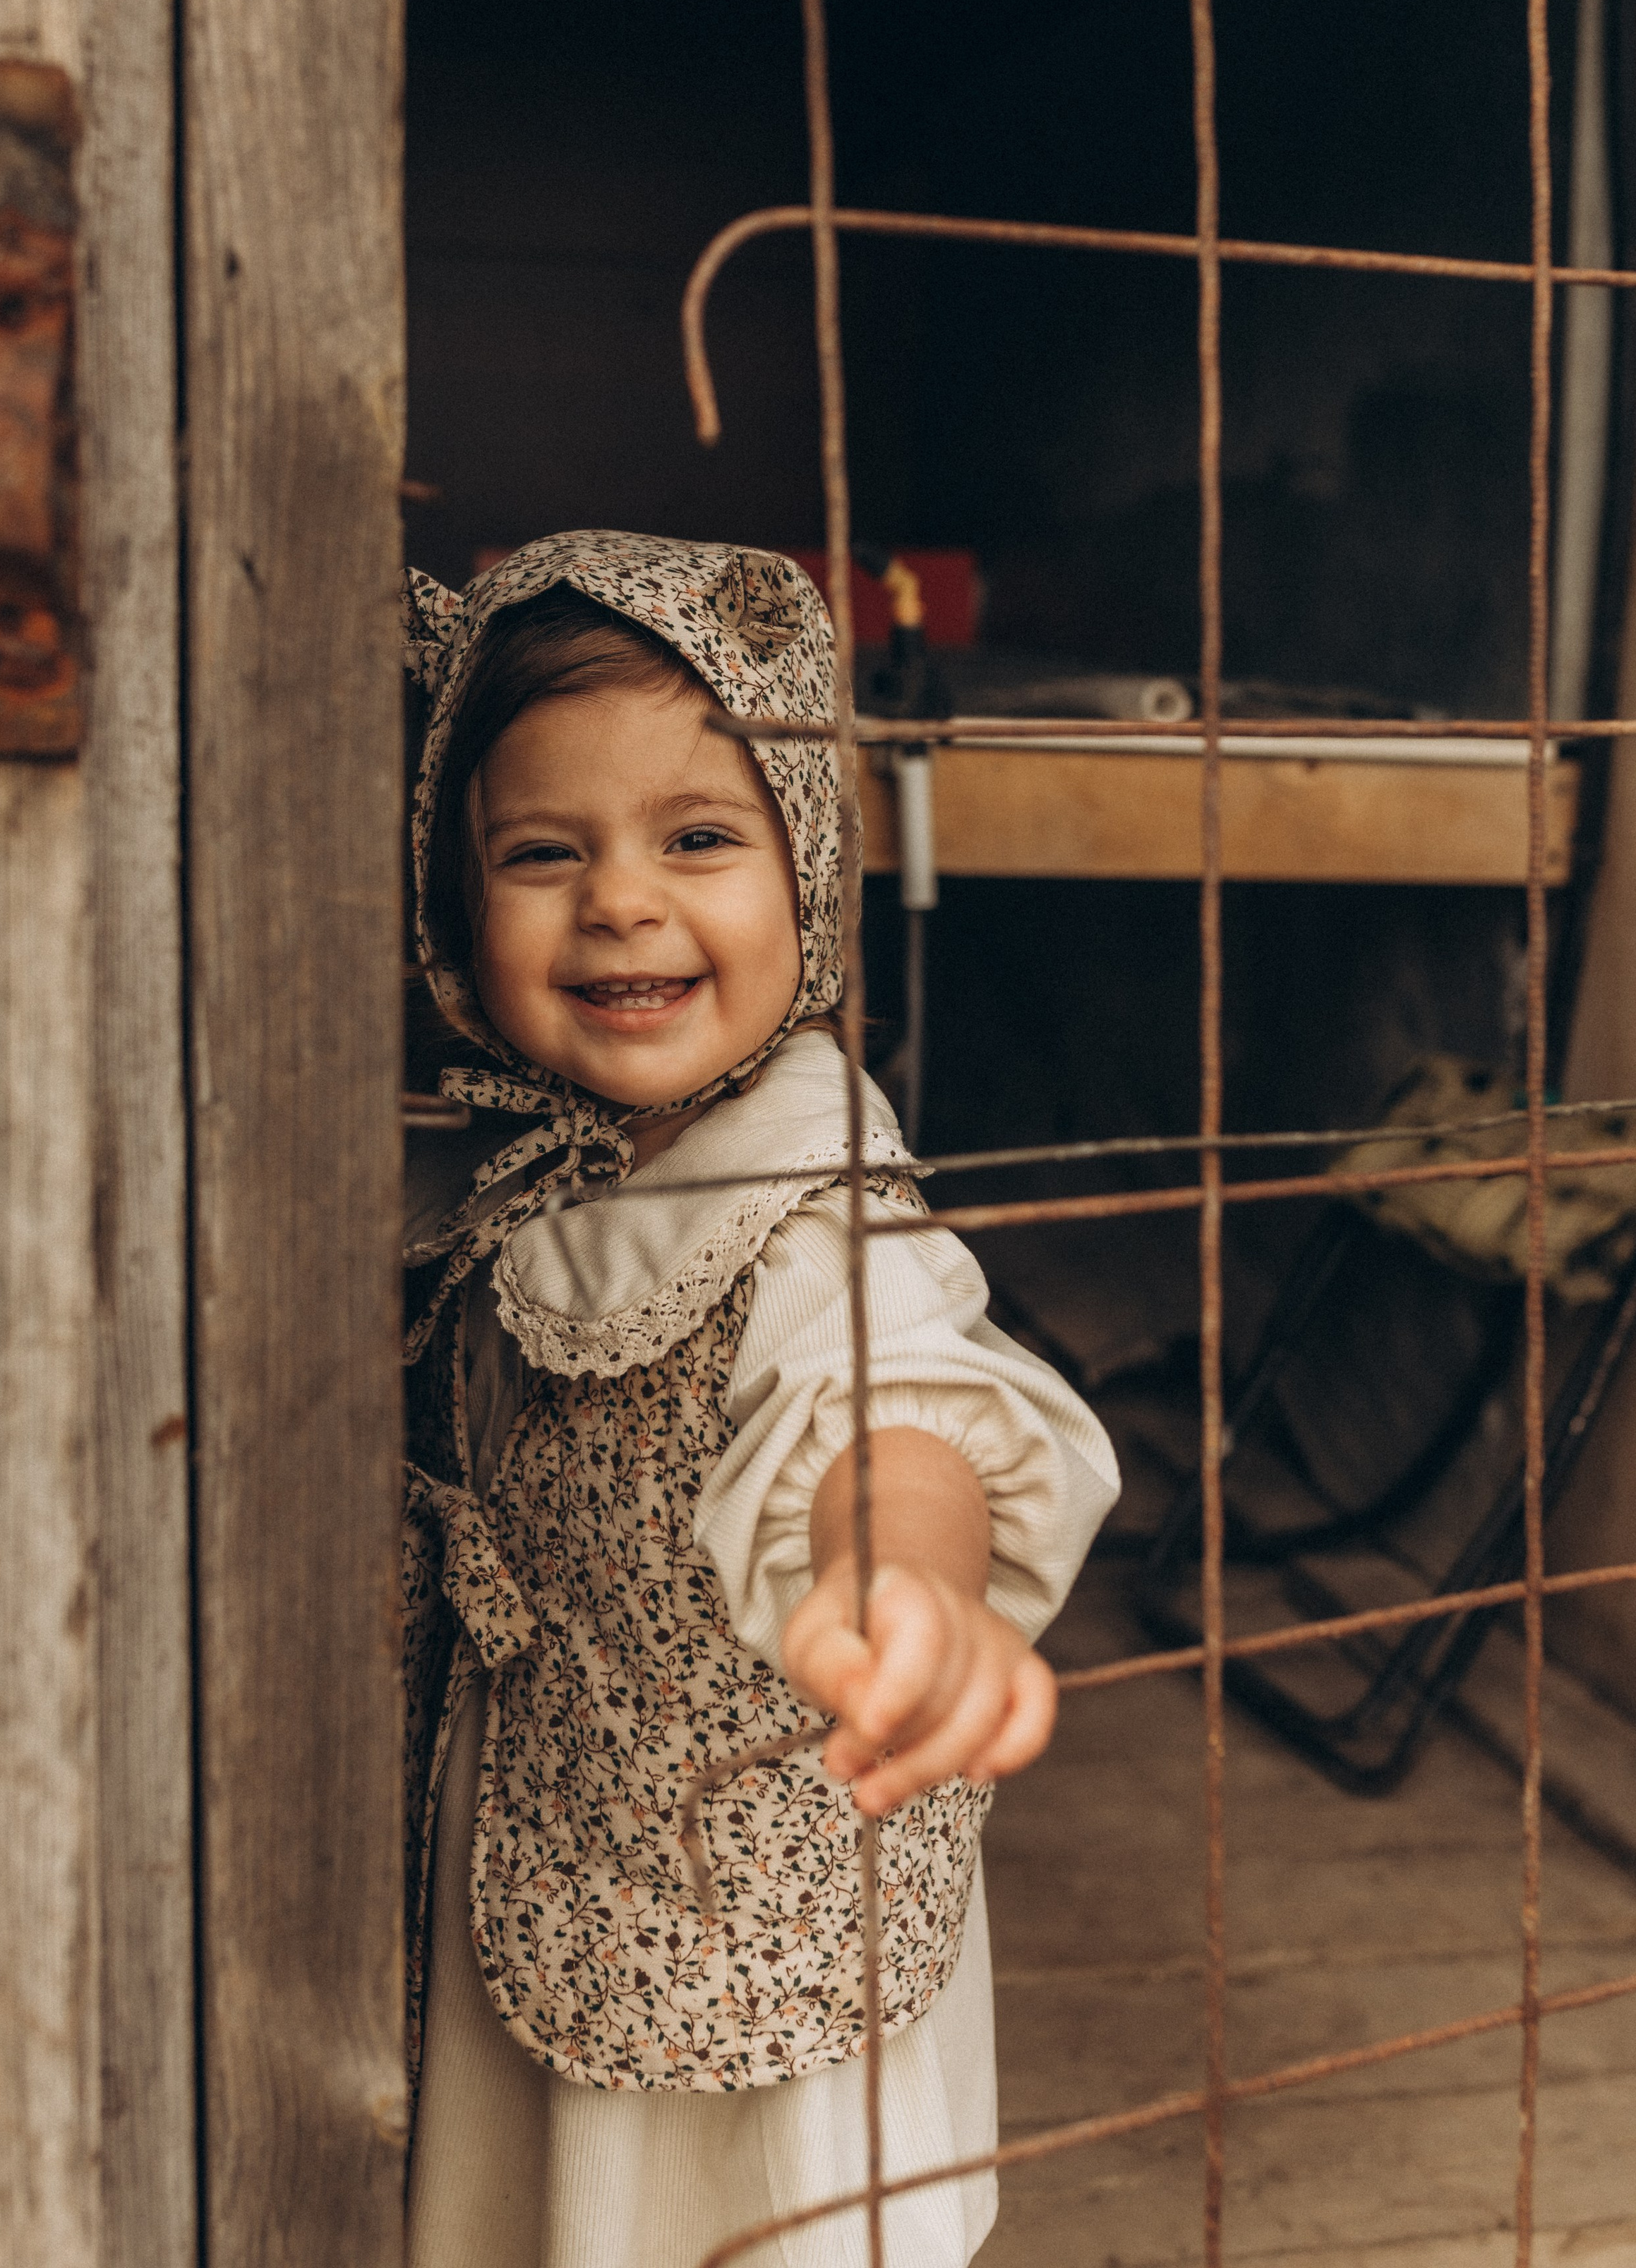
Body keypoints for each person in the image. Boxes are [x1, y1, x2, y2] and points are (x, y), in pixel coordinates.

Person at [399, 532, 1118, 2268]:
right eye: (539, 854)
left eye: (699, 840)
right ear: (445, 902)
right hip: (547, 1858)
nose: (622, 903)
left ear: (809, 873)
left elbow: (888, 1416)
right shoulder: (528, 1173)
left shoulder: (809, 1207)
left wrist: (905, 1584)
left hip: (757, 1945)